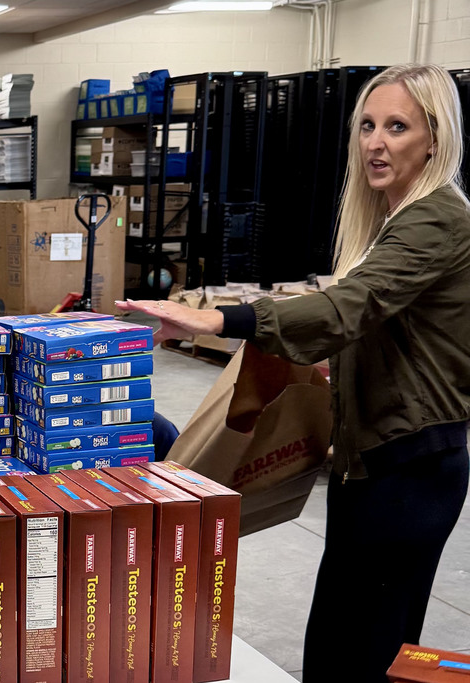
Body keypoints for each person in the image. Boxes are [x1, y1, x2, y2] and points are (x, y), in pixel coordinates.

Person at [119, 63, 470, 683]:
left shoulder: (438, 218)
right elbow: (375, 327)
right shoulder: (399, 219)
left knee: (365, 645)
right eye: (367, 126)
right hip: (375, 456)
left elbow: (345, 308)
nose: (375, 143)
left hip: (409, 466)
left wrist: (213, 321)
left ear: (435, 140)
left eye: (397, 127)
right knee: (353, 636)